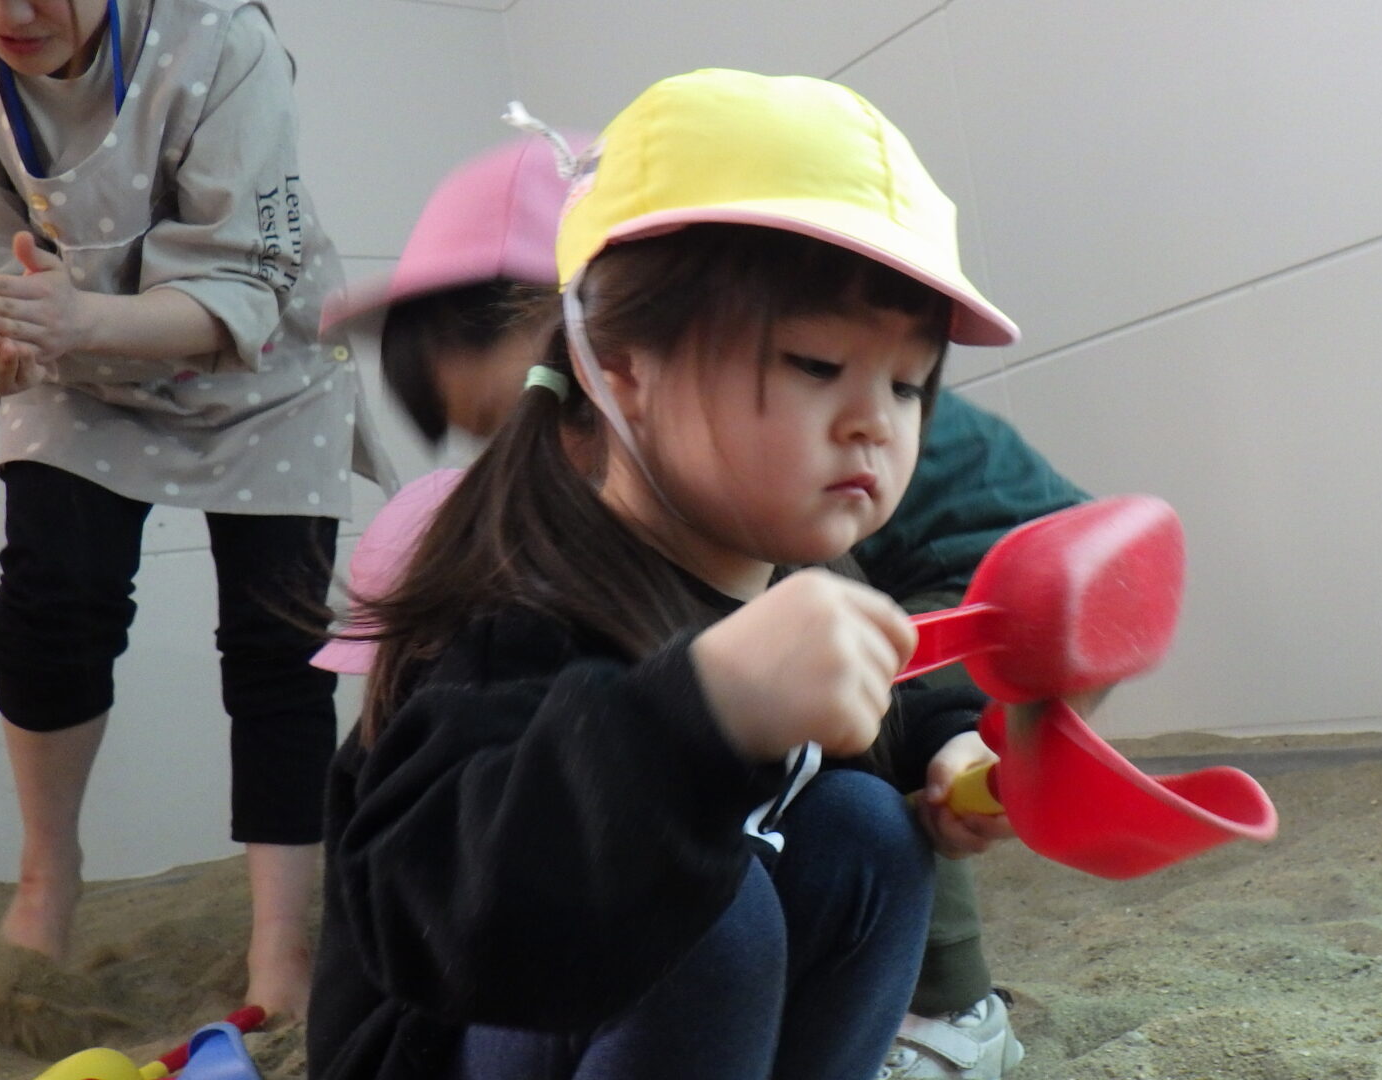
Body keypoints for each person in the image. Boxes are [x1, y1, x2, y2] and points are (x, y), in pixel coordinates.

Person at [302, 67, 1098, 1080]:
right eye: (816, 365)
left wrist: (947, 750)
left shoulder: (806, 566)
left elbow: (886, 708)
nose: (873, 421)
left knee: (869, 834)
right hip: (457, 1035)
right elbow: (443, 922)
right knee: (706, 912)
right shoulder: (516, 604)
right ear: (625, 364)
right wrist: (699, 711)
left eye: (907, 385)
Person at [0, 0, 391, 1033]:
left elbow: (243, 282)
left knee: (278, 640)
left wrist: (76, 316)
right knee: (54, 599)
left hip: (262, 366)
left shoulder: (223, 39)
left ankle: (279, 940)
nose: (8, 15)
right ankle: (46, 882)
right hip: (75, 358)